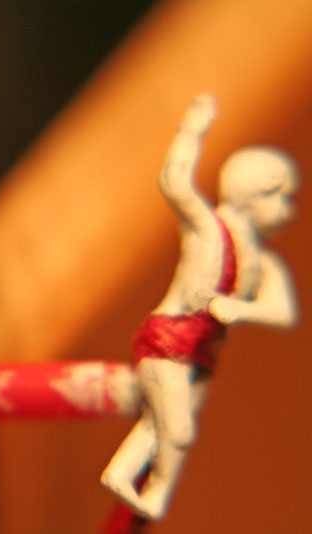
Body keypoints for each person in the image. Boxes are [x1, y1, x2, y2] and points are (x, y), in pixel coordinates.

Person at [100, 93, 299, 520]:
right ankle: (153, 495)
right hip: (170, 339)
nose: (288, 212)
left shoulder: (263, 264)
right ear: (254, 195)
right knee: (180, 432)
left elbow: (283, 312)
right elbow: (175, 182)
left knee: (162, 427)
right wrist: (193, 129)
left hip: (202, 357)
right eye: (281, 198)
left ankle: (122, 475)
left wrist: (241, 310)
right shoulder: (210, 229)